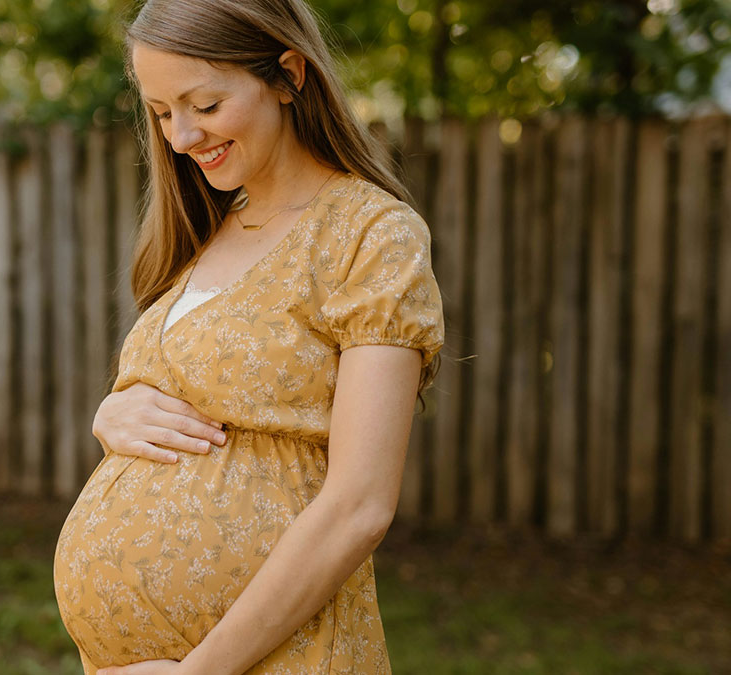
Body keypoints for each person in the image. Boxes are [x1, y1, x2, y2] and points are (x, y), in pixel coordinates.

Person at [52, 0, 445, 672]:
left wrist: (201, 670)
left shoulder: (368, 235)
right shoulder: (207, 224)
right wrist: (112, 410)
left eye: (204, 104)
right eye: (161, 111)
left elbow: (360, 504)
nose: (180, 136)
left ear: (288, 74)